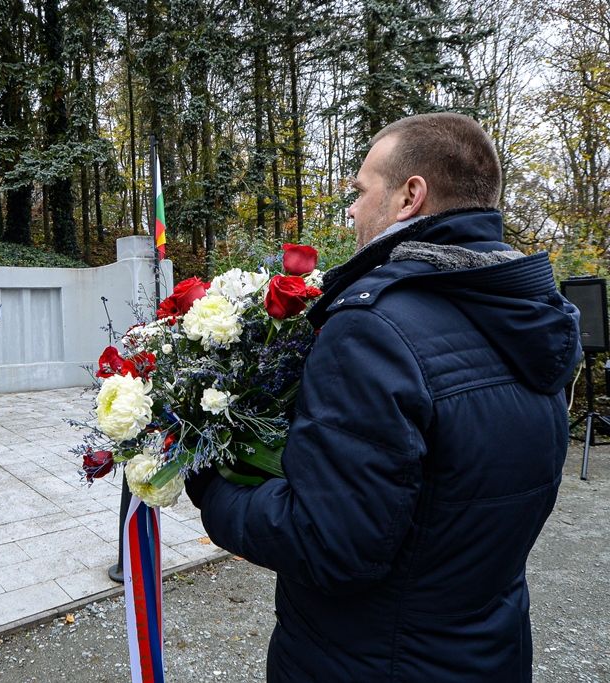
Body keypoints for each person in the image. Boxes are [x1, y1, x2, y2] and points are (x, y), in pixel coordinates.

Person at [185, 112, 582, 682]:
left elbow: (330, 543)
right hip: (490, 654)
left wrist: (212, 485)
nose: (350, 209)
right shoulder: (531, 321)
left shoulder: (374, 330)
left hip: (369, 661)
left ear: (408, 197)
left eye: (360, 191)